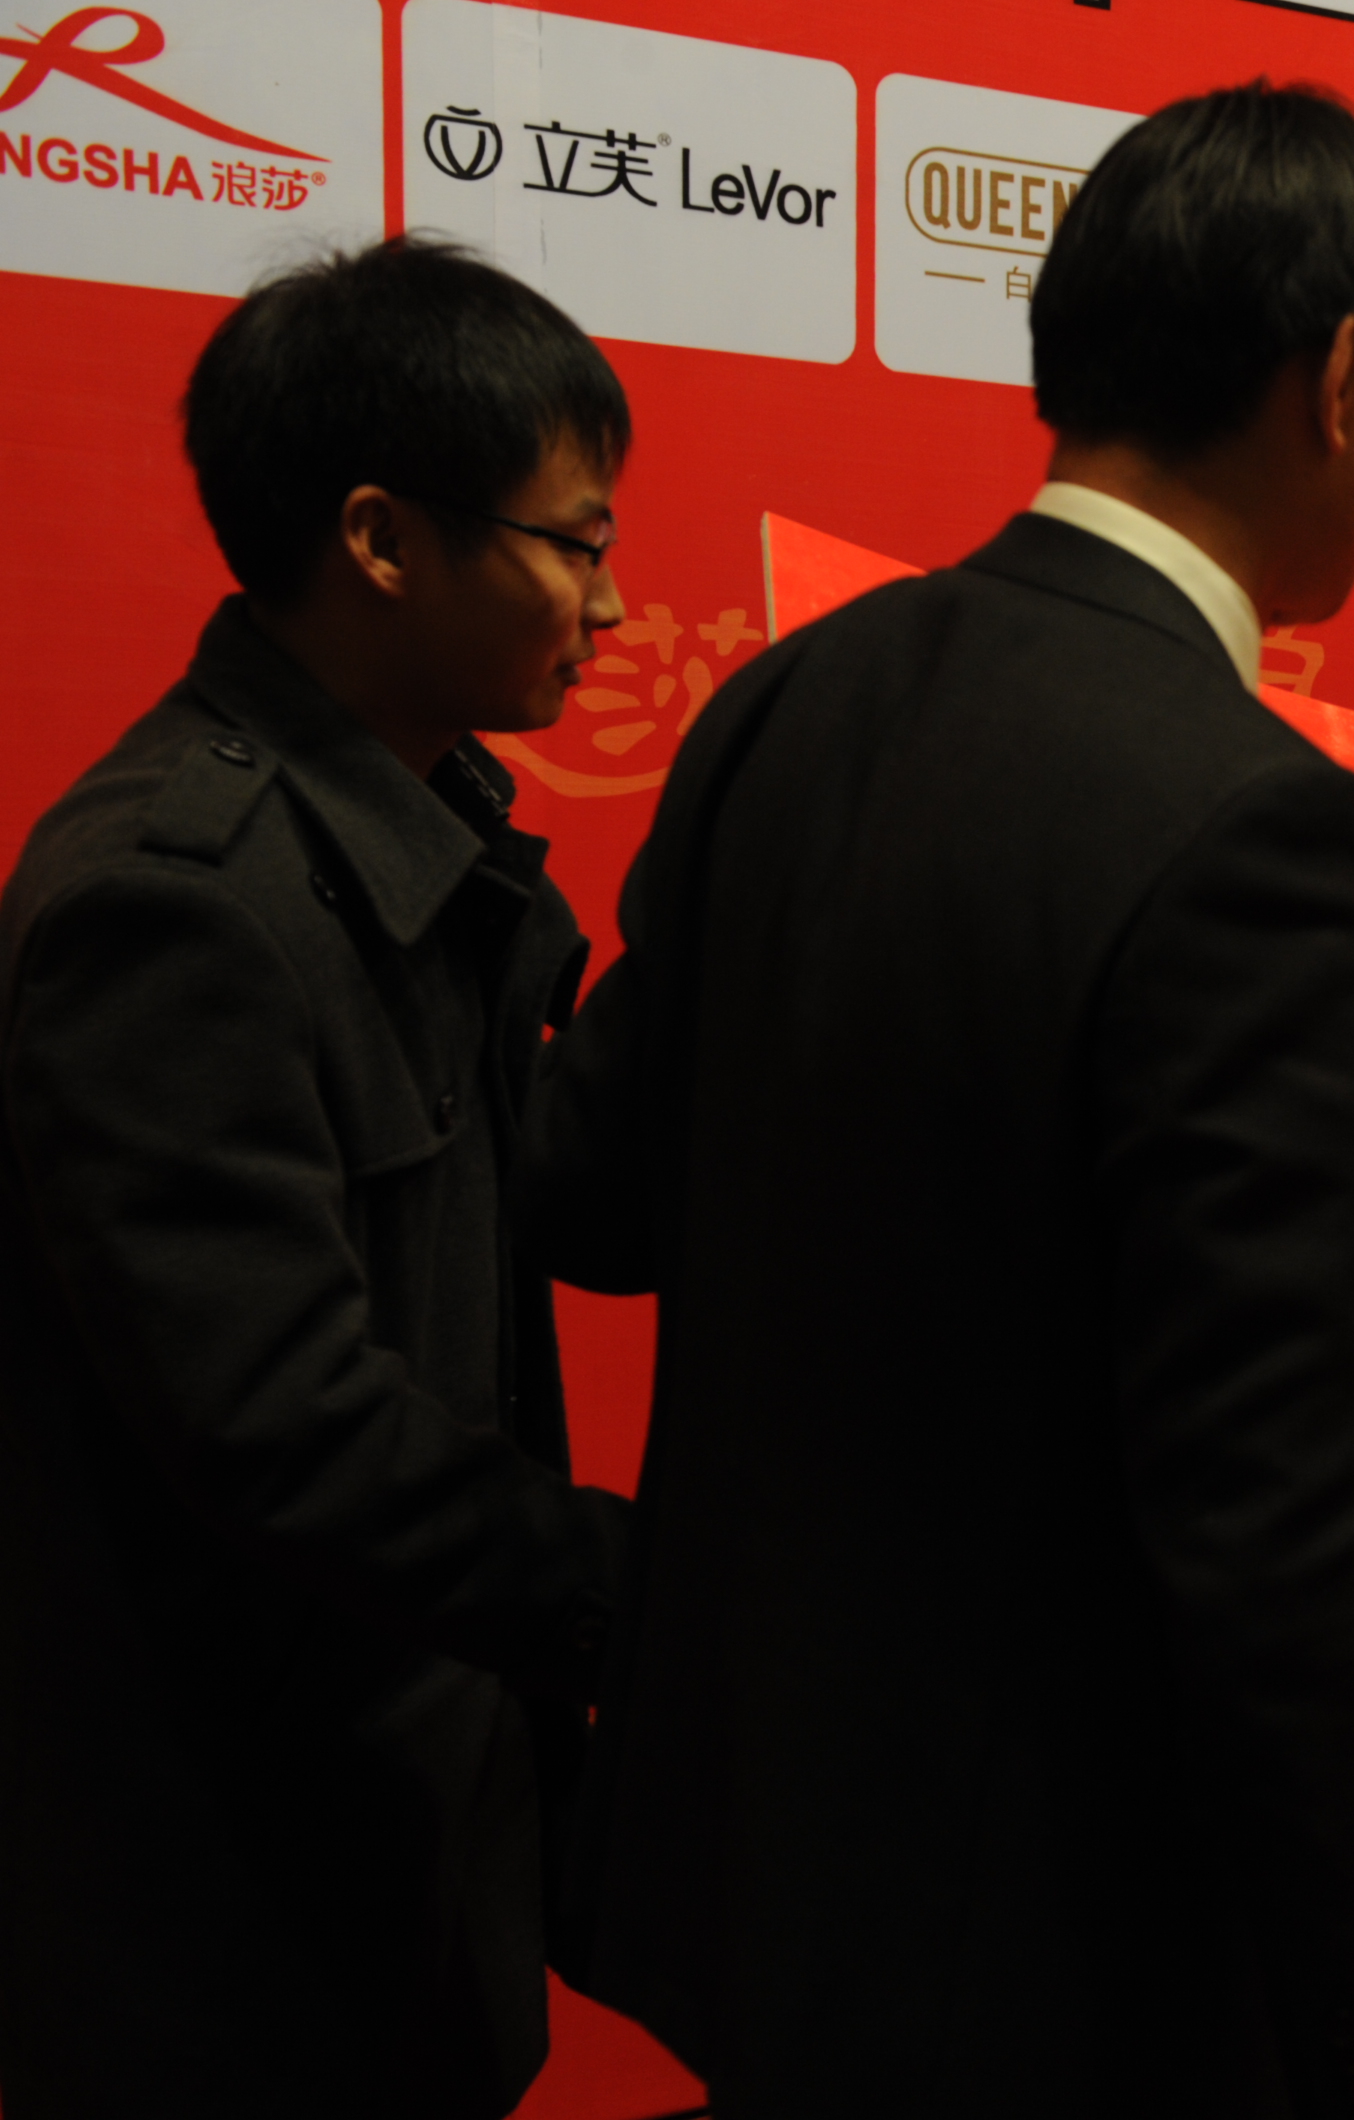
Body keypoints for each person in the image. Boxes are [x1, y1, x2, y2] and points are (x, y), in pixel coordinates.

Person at [520, 84, 1354, 2117]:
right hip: (1045, 1950)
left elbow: (595, 1192)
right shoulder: (1260, 824)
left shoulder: (793, 692)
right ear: (1342, 381)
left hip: (753, 1871)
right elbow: (1280, 1545)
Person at [0, 239, 635, 2119]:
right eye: (576, 543)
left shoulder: (423, 839)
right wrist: (661, 1588)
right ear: (380, 539)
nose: (611, 604)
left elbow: (555, 1200)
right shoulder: (173, 901)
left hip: (412, 1833)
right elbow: (289, 1431)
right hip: (235, 1904)